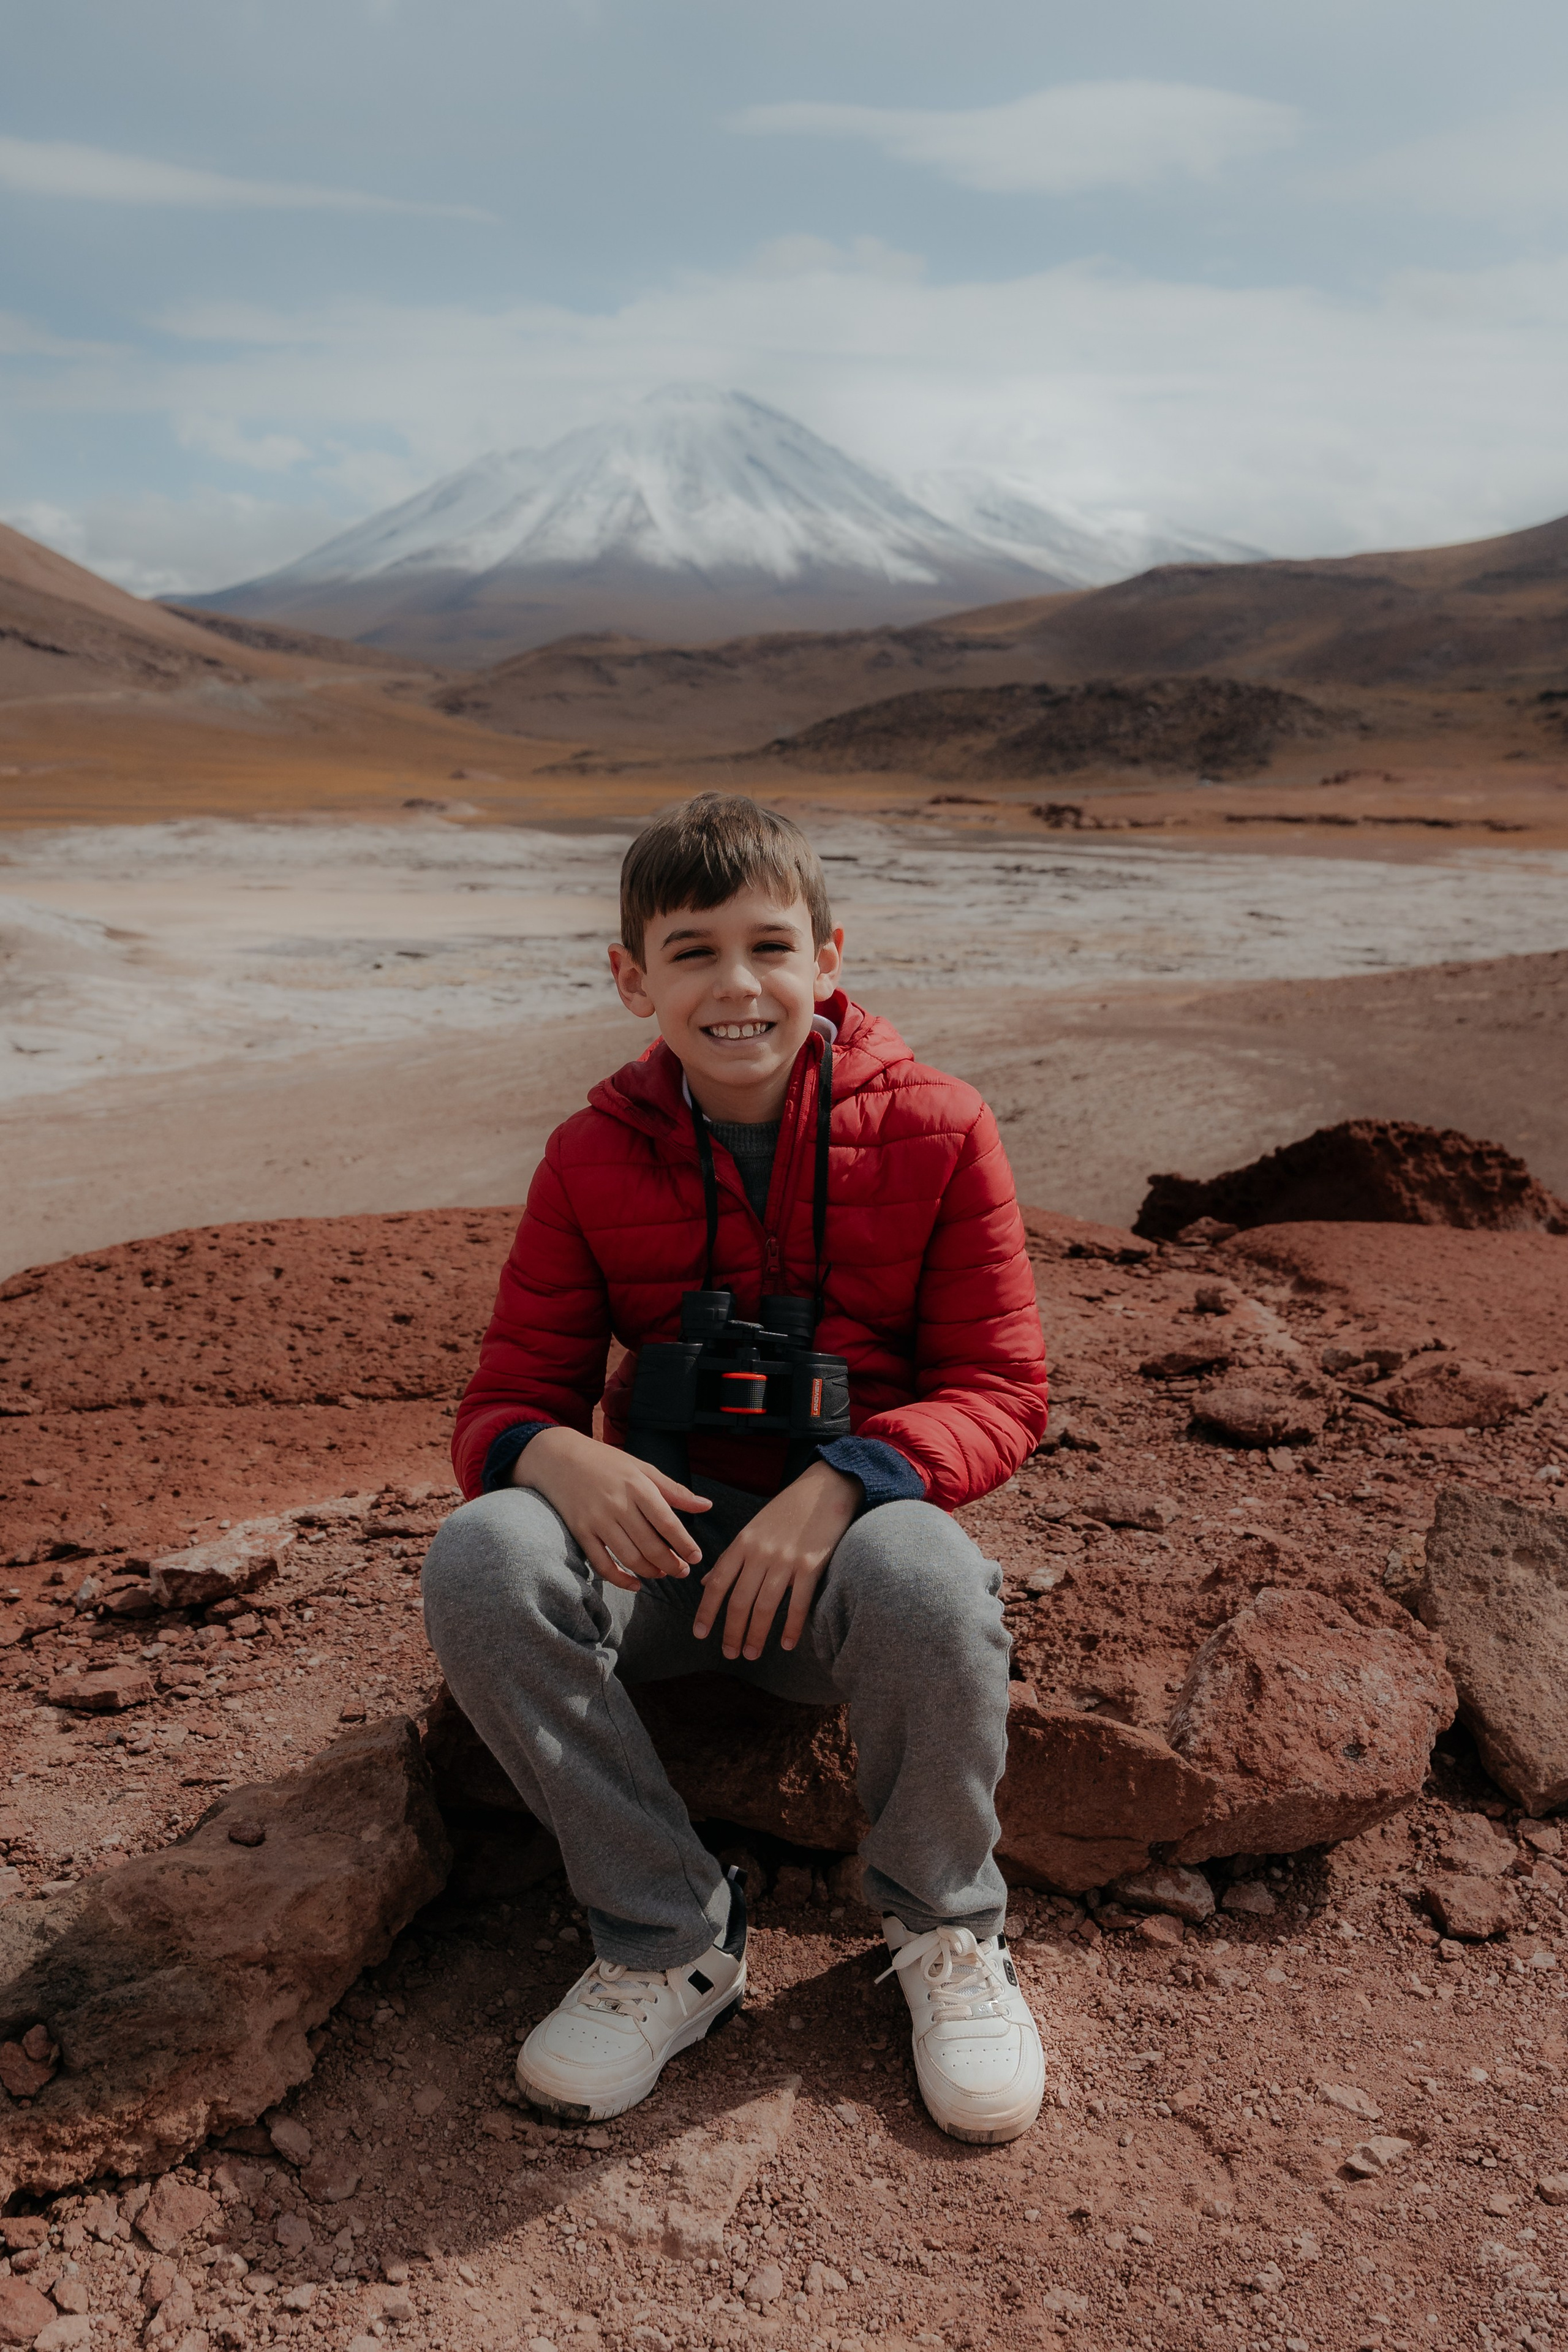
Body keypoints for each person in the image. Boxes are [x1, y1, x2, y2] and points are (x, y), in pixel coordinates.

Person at [421, 791, 1051, 2143]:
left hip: (837, 1581)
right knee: (483, 1554)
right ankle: (667, 1940)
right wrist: (553, 1456)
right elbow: (503, 1398)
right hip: (650, 1566)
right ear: (630, 976)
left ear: (828, 958)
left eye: (769, 946)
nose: (735, 985)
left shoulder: (937, 1127)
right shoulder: (590, 1156)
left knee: (929, 1577)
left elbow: (999, 1391)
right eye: (691, 951)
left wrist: (843, 1484)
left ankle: (947, 1932)